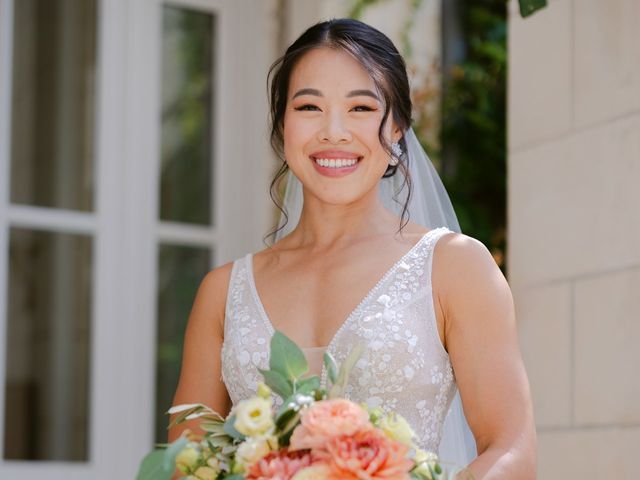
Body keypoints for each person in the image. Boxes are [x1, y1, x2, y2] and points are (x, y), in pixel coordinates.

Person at [168, 18, 536, 479]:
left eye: (361, 107)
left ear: (398, 125)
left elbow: (512, 449)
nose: (334, 132)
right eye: (309, 107)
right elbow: (184, 464)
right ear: (283, 124)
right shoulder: (222, 291)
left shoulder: (455, 267)